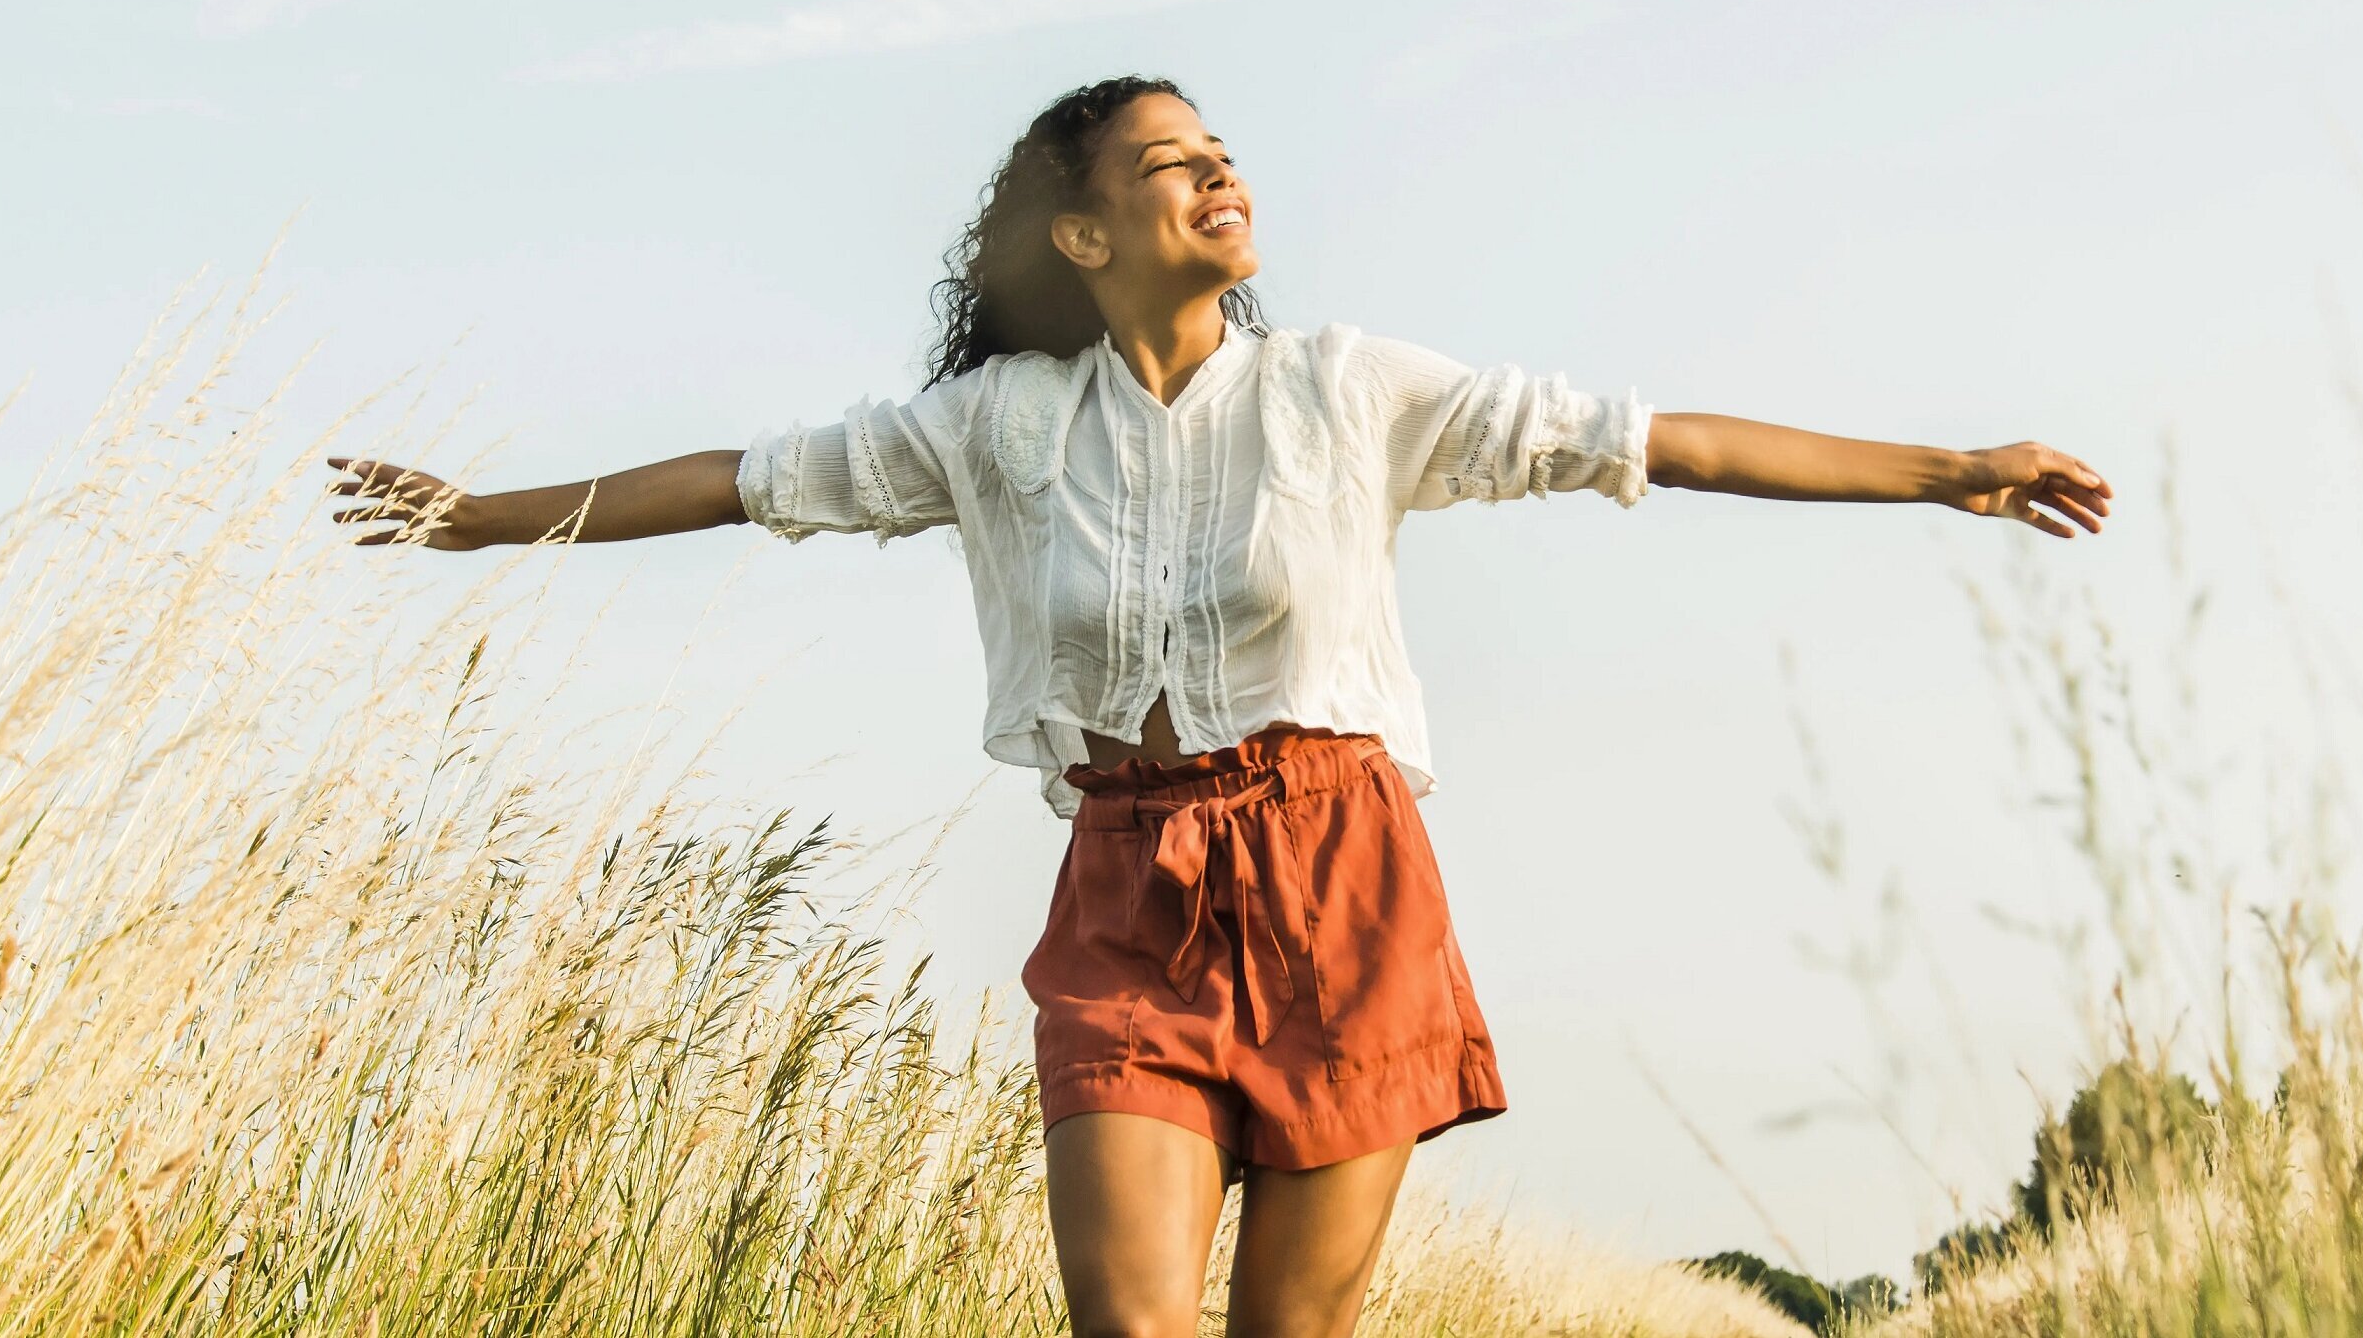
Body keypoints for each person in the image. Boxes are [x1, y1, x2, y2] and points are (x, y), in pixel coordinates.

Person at [326, 75, 2110, 1338]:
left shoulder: (1351, 391)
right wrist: (486, 519)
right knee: (1124, 1316)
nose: (1217, 173)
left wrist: (1947, 467)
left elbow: (1656, 443)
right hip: (1129, 889)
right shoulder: (997, 427)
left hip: (1342, 877)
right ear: (1083, 230)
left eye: (1223, 151)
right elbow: (742, 477)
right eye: (1169, 160)